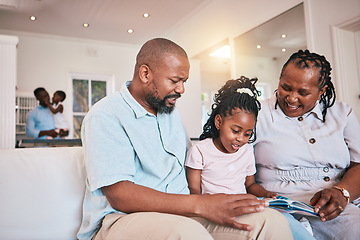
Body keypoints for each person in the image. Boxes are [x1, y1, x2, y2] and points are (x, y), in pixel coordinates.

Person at [78, 38, 293, 240]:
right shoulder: (106, 115)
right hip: (123, 219)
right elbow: (120, 195)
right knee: (189, 234)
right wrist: (201, 203)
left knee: (270, 221)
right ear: (145, 73)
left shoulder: (169, 112)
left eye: (184, 81)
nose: (181, 89)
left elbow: (193, 167)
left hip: (184, 214)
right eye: (175, 80)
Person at [185, 76, 313, 240]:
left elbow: (250, 184)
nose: (241, 139)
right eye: (235, 131)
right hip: (214, 211)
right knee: (272, 222)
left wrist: (267, 194)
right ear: (218, 122)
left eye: (247, 134)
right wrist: (209, 201)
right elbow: (194, 191)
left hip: (242, 207)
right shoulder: (200, 151)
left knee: (279, 216)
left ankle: (301, 230)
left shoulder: (246, 151)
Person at [253, 49, 360, 240]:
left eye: (303, 92)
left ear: (321, 91)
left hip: (338, 205)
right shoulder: (257, 115)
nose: (292, 98)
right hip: (281, 207)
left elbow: (358, 164)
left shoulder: (342, 113)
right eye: (285, 87)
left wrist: (342, 192)